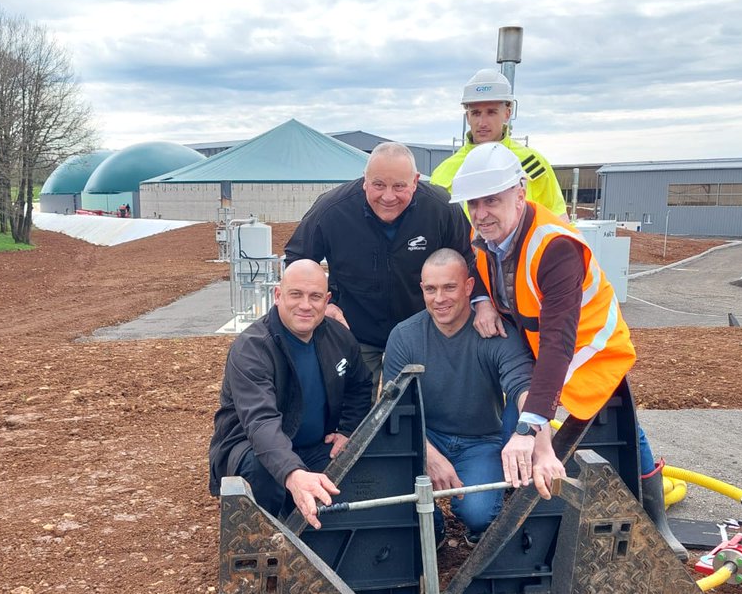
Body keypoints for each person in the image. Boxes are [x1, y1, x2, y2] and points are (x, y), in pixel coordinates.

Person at [450, 142, 686, 559]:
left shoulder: (555, 246)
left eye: (492, 200)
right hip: (538, 344)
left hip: (588, 346)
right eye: (474, 203)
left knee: (617, 424)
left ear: (520, 194)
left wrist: (531, 429)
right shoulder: (482, 233)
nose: (481, 212)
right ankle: (520, 523)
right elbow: (477, 265)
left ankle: (655, 519)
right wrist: (481, 300)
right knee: (523, 430)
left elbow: (560, 340)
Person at [384, 250, 563, 542]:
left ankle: (480, 526)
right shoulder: (405, 337)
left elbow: (523, 388)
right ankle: (434, 532)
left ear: (468, 287)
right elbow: (394, 408)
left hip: (480, 441)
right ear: (422, 290)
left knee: (478, 512)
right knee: (390, 491)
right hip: (424, 437)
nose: (439, 298)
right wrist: (428, 454)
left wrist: (536, 440)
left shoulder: (495, 334)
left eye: (449, 287)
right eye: (431, 289)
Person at [284, 142, 498, 386]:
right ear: (365, 180)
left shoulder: (440, 209)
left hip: (421, 331)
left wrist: (482, 303)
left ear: (415, 181)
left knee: (421, 405)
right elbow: (297, 260)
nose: (388, 196)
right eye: (378, 185)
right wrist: (325, 306)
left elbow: (470, 260)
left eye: (399, 186)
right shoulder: (332, 210)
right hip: (355, 330)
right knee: (356, 410)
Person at [208, 260, 374, 528]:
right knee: (262, 472)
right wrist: (292, 472)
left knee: (354, 480)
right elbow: (260, 422)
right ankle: (261, 538)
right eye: (296, 294)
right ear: (277, 295)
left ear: (327, 299)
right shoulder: (251, 349)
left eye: (315, 296)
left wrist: (347, 430)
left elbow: (360, 384)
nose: (305, 305)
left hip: (315, 446)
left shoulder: (339, 337)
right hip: (251, 447)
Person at [430, 68, 567, 220]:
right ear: (468, 117)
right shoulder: (443, 173)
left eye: (491, 112)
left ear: (507, 114)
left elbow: (560, 223)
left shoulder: (534, 166)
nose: (482, 122)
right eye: (476, 113)